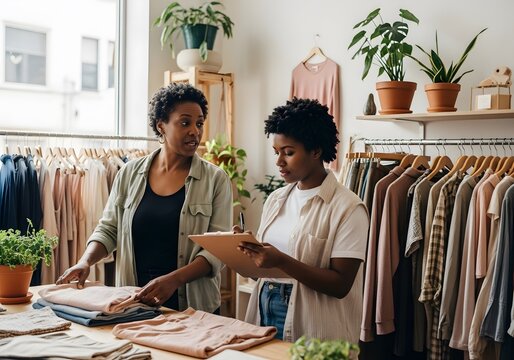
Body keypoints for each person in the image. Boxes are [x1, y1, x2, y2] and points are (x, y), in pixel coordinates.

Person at [56, 83, 233, 313]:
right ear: (161, 126)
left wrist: (173, 280)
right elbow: (109, 229)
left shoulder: (215, 180)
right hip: (133, 304)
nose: (195, 131)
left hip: (193, 308)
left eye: (199, 123)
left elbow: (216, 252)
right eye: (185, 122)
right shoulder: (129, 174)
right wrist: (85, 261)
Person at [239, 98, 369, 343]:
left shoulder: (348, 208)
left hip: (315, 326)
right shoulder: (276, 199)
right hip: (263, 309)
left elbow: (341, 284)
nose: (279, 161)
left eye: (288, 152)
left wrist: (281, 260)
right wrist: (246, 249)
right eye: (276, 152)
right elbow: (261, 272)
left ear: (316, 151)